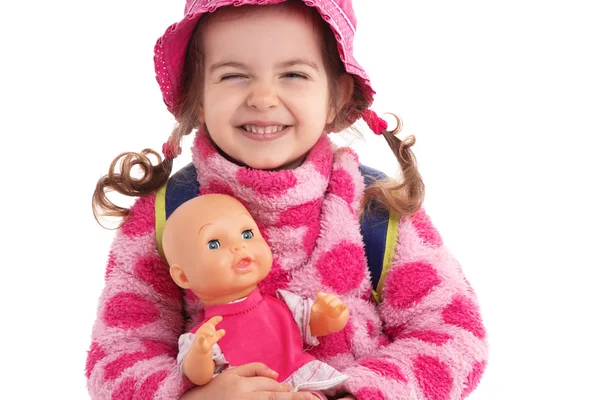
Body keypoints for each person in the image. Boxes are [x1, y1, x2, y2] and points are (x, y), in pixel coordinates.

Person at [87, 1, 488, 399]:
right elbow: (118, 354)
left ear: (336, 95)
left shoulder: (376, 208)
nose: (263, 98)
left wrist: (357, 395)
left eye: (293, 74)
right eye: (233, 76)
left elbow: (453, 334)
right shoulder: (164, 214)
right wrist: (195, 398)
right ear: (199, 96)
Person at [162, 194, 349, 400]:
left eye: (247, 234)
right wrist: (200, 352)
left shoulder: (281, 305)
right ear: (183, 276)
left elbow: (316, 325)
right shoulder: (205, 334)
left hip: (300, 385)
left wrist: (330, 315)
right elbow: (198, 376)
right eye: (214, 244)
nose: (239, 246)